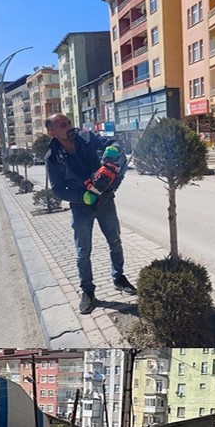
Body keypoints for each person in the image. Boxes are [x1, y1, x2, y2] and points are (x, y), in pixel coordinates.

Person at [43, 113, 138, 315]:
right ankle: (88, 292)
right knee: (82, 252)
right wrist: (81, 197)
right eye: (62, 125)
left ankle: (119, 278)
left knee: (115, 241)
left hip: (105, 200)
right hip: (81, 207)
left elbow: (112, 141)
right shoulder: (52, 157)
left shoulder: (87, 137)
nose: (69, 126)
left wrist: (113, 147)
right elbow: (58, 189)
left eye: (68, 122)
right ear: (52, 132)